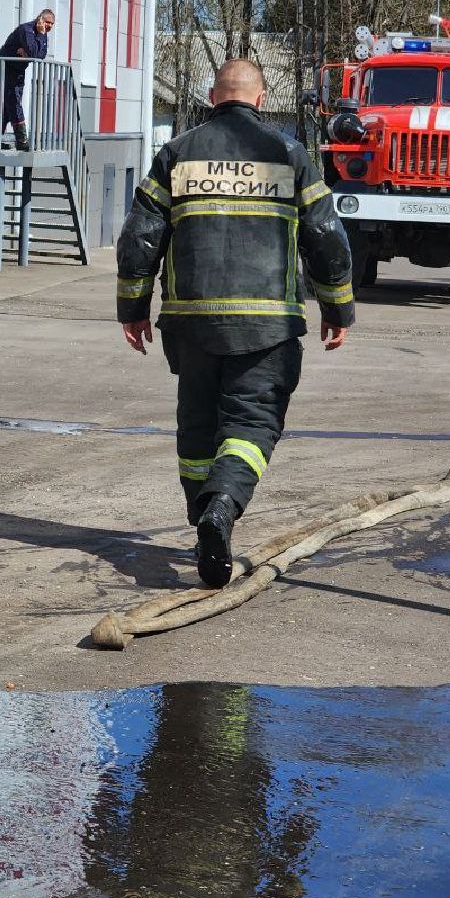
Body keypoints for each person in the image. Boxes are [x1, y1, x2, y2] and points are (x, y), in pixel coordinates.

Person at [116, 59, 354, 589]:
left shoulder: (176, 154)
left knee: (197, 424)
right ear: (261, 99)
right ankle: (222, 506)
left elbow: (140, 237)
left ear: (211, 95)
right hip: (267, 327)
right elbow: (325, 237)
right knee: (252, 422)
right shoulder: (288, 154)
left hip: (190, 323)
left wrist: (132, 307)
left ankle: (202, 516)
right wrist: (338, 308)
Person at [0, 9, 55, 151]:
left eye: (52, 24)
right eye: (47, 22)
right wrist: (34, 46)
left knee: (10, 105)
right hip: (6, 67)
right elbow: (34, 52)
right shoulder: (26, 29)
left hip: (18, 70)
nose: (49, 26)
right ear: (40, 19)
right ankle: (22, 141)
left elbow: (40, 55)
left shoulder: (42, 34)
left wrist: (31, 51)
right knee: (14, 102)